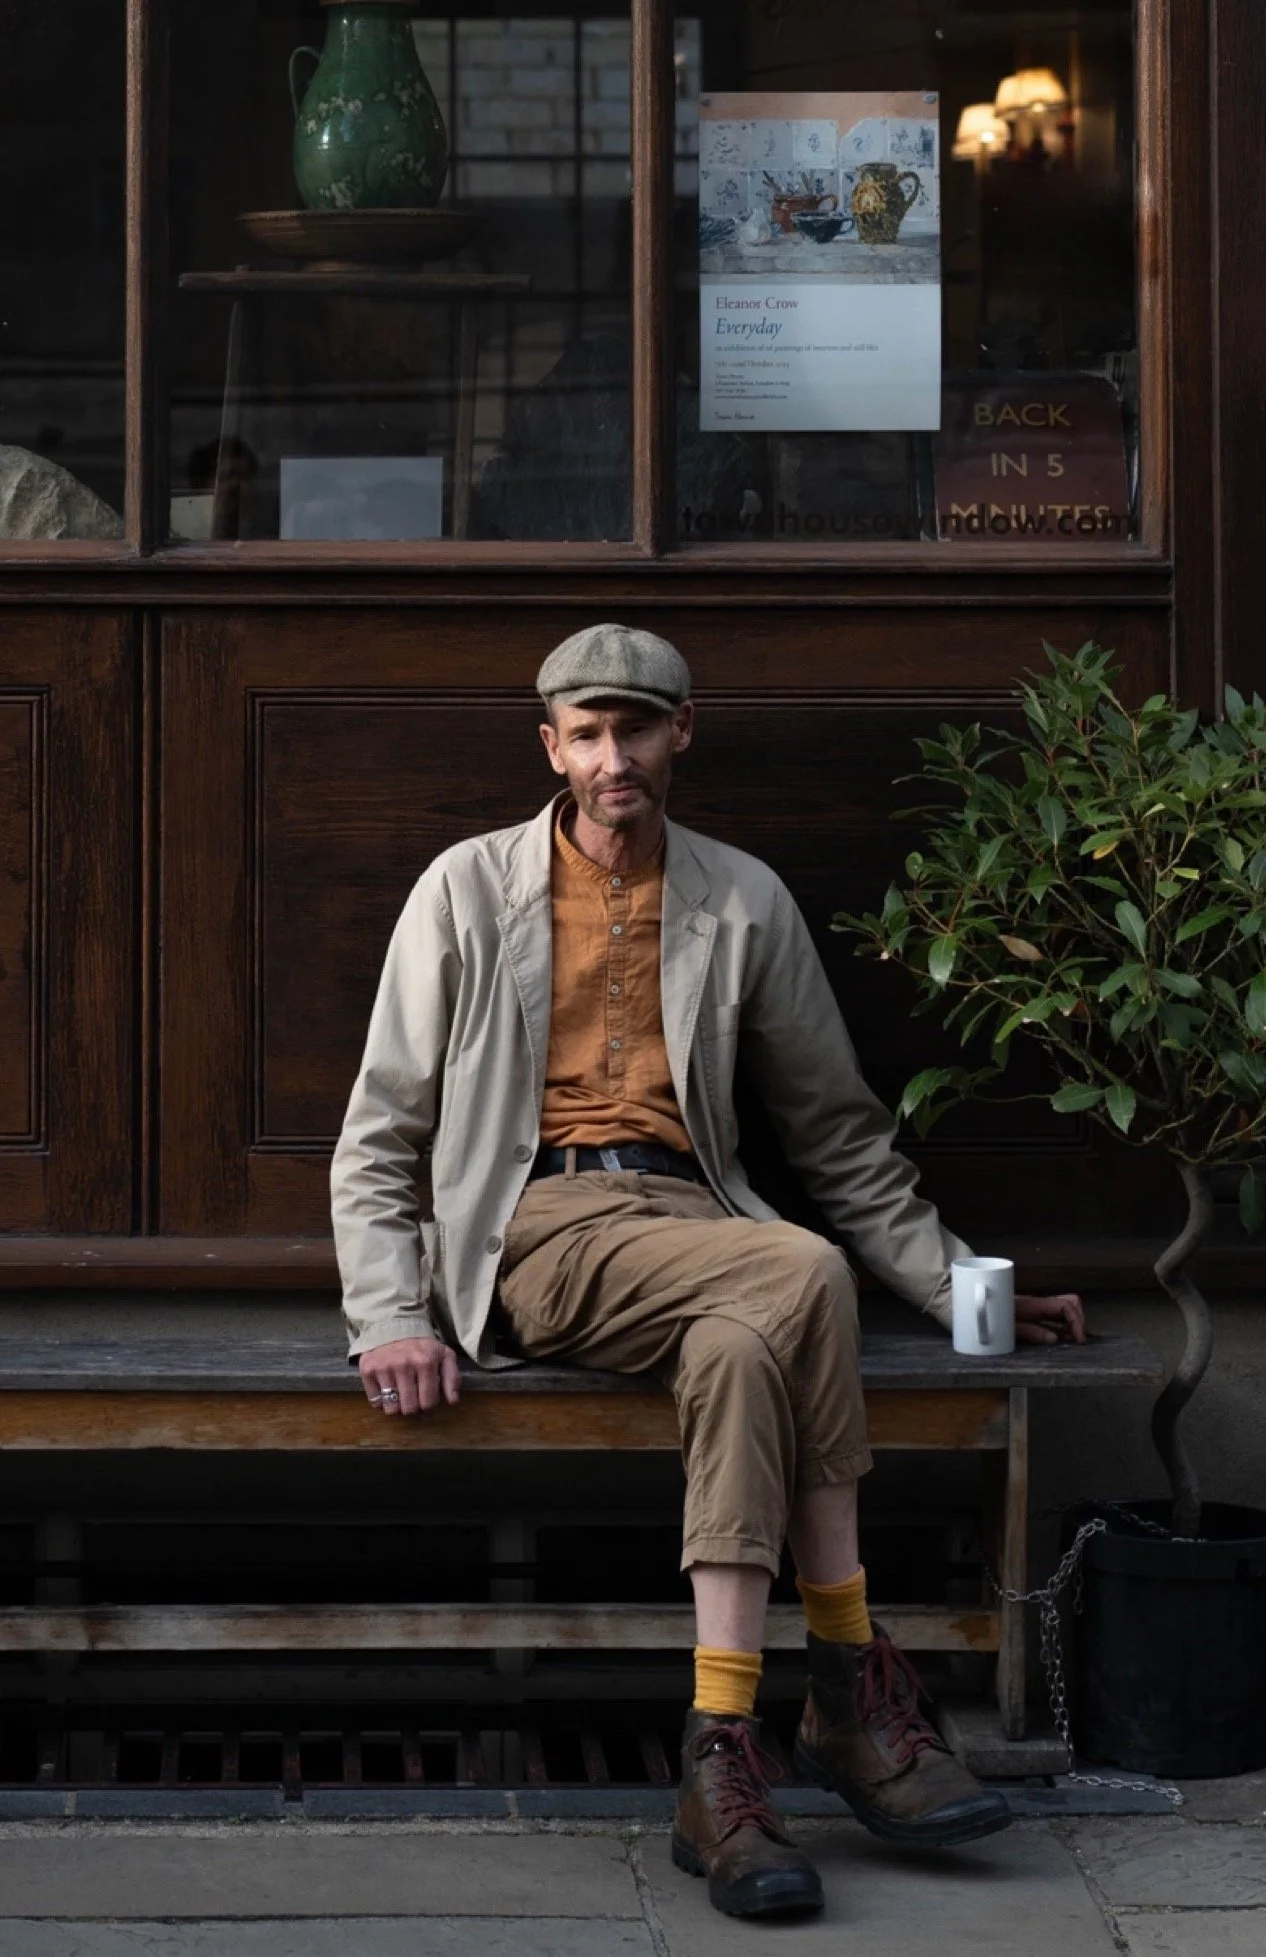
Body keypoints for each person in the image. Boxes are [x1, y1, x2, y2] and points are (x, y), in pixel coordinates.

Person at [330, 622, 1087, 1924]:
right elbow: (383, 1129)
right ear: (551, 748)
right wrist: (392, 1313)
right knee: (801, 1275)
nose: (612, 757)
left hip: (696, 1227)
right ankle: (851, 1685)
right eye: (587, 734)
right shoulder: (466, 890)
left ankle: (720, 1757)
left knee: (748, 1347)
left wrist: (968, 1284)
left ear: (684, 733)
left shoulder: (743, 899)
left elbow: (839, 1135)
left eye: (637, 729)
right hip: (535, 1227)